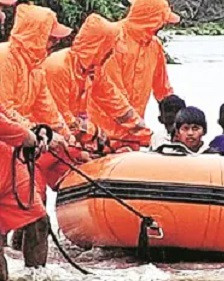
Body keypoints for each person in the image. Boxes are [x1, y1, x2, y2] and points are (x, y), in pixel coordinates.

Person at [88, 0, 180, 150]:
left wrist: (179, 123)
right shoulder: (114, 39)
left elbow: (164, 92)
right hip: (102, 136)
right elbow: (112, 97)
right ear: (152, 20)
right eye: (162, 21)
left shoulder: (154, 45)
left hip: (134, 138)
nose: (163, 26)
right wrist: (146, 134)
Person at [43, 13, 119, 149]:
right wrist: (94, 133)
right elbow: (61, 119)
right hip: (45, 143)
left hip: (62, 142)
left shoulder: (87, 71)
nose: (111, 54)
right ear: (99, 47)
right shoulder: (59, 68)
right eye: (109, 48)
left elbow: (115, 101)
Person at [0, 3, 73, 138]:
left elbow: (47, 109)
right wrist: (37, 132)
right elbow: (5, 114)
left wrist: (68, 138)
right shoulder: (5, 58)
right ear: (36, 36)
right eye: (52, 39)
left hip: (21, 137)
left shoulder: (35, 68)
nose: (56, 44)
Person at [0, 103, 49, 281]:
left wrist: (35, 131)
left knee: (38, 219)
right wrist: (26, 135)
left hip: (8, 171)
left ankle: (36, 275)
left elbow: (5, 114)